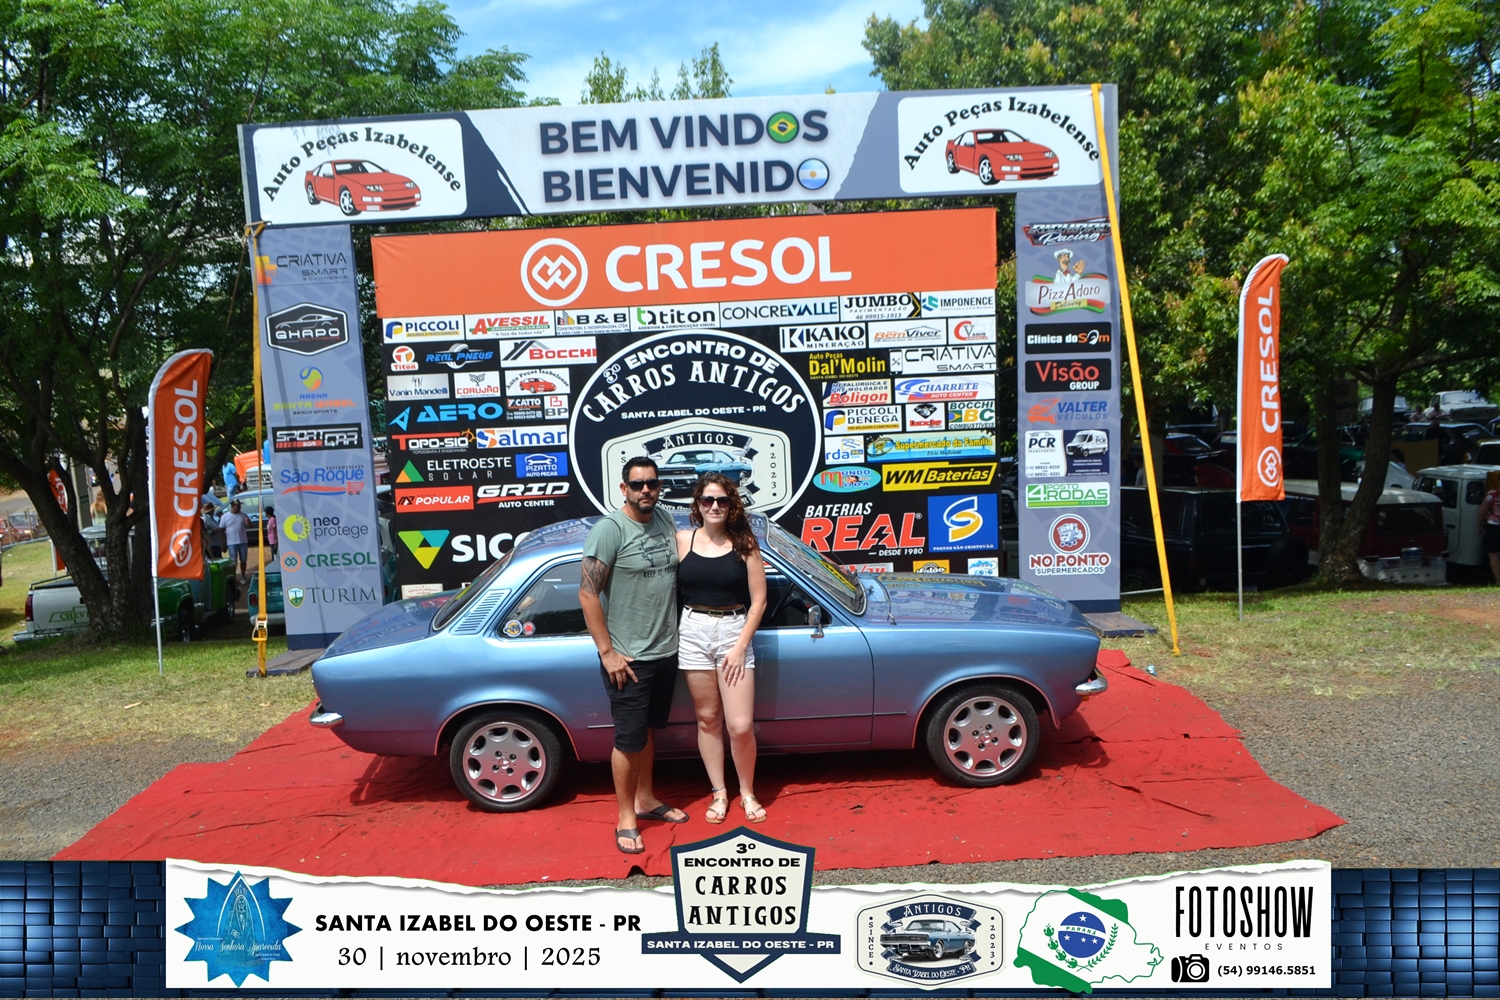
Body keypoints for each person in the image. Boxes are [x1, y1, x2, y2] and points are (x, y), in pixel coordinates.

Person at [579, 457, 687, 855]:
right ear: (623, 488)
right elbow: (587, 593)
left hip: (665, 651)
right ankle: (626, 818)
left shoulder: (664, 520)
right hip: (629, 659)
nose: (646, 490)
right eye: (638, 484)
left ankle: (646, 799)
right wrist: (608, 652)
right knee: (627, 740)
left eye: (652, 484)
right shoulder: (610, 530)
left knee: (647, 732)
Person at [676, 473, 769, 824]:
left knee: (741, 726)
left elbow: (759, 601)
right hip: (693, 630)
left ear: (732, 505)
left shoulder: (745, 544)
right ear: (698, 504)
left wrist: (740, 646)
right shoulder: (682, 540)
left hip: (734, 630)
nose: (714, 506)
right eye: (708, 500)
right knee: (707, 719)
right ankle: (719, 792)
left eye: (722, 500)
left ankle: (747, 791)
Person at [1479, 470, 1500, 585]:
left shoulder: (1492, 494)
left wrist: (1479, 526)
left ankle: (1498, 580)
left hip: (1493, 526)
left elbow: (1482, 512)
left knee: (1493, 554)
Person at [220, 500, 250, 580]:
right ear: (233, 506)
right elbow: (221, 530)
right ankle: (233, 576)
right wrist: (223, 543)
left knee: (243, 559)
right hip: (231, 542)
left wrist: (249, 523)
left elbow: (250, 526)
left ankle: (243, 576)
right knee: (233, 561)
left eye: (240, 505)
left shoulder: (244, 515)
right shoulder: (225, 517)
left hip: (243, 541)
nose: (239, 507)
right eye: (238, 506)